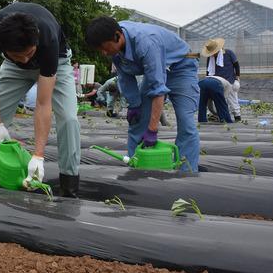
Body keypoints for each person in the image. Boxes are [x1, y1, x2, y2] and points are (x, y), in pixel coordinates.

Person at [0, 2, 80, 197]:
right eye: (18, 55)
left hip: (58, 61)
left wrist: (38, 155)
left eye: (28, 54)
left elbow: (42, 103)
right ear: (2, 45)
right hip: (12, 69)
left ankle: (69, 184)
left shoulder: (47, 39)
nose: (25, 60)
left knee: (69, 119)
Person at [85, 16, 200, 172]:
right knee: (137, 121)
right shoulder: (115, 47)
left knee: (185, 121)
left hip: (181, 66)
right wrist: (134, 105)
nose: (104, 53)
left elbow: (158, 91)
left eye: (105, 48)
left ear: (118, 36)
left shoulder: (145, 42)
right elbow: (125, 78)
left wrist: (152, 130)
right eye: (100, 50)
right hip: (157, 68)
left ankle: (186, 171)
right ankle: (136, 167)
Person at [202, 38, 241, 121]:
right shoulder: (210, 58)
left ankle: (237, 115)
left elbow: (236, 64)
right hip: (217, 81)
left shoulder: (229, 53)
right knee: (216, 98)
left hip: (229, 79)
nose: (212, 54)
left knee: (232, 97)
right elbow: (208, 70)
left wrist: (237, 77)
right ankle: (216, 114)